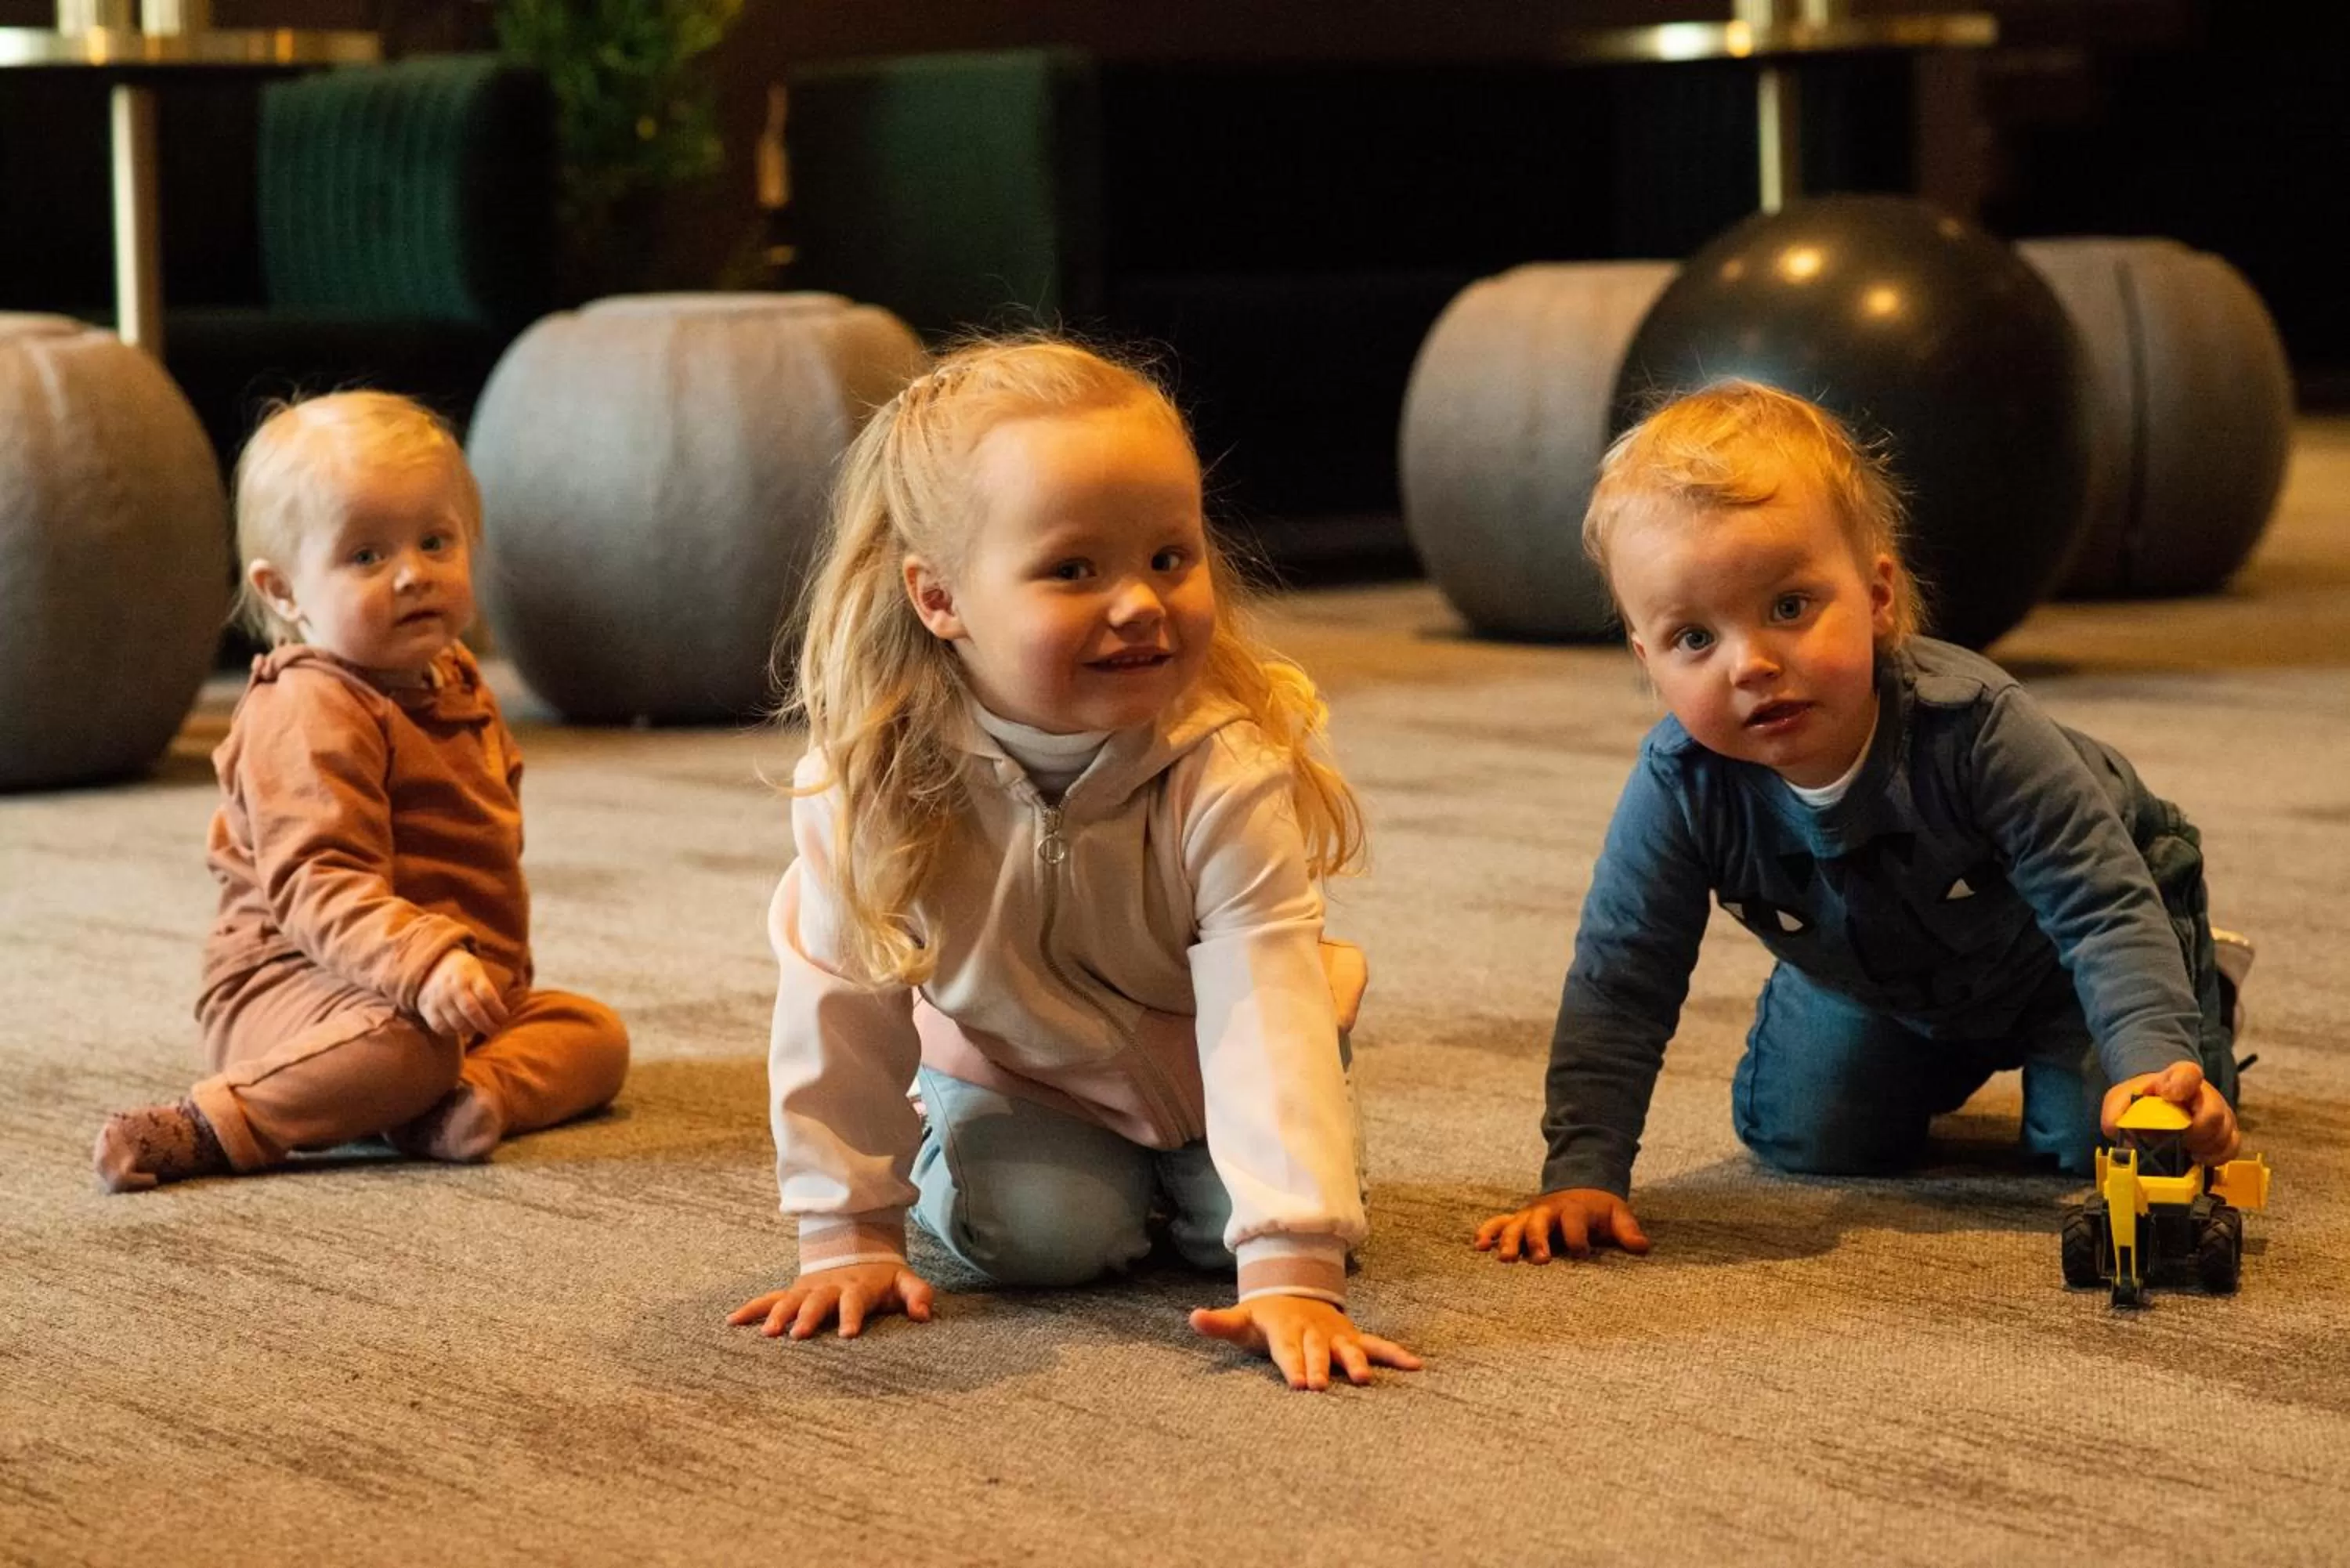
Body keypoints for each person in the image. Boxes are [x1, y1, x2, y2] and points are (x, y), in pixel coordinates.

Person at [728, 339, 1420, 1391]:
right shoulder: (871, 779)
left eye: (1168, 558)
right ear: (939, 597)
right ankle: (962, 1135)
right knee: (1044, 1241)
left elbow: (1264, 1000)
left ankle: (1213, 1177)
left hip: (1206, 1056)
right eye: (1073, 569)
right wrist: (850, 1233)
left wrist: (1290, 1255)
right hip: (1023, 1067)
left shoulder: (1225, 764)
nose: (1140, 603)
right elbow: (836, 995)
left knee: (1234, 1228)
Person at [1477, 380, 2251, 1265]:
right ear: (1646, 660)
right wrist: (1584, 1169)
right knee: (1806, 1137)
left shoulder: (1978, 727)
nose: (1753, 663)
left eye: (1790, 607)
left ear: (1877, 596)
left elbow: (2100, 905)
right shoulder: (1680, 783)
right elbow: (1622, 976)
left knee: (2104, 1139)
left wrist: (2152, 1061)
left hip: (2062, 953)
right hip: (1876, 971)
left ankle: (2196, 986)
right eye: (1695, 638)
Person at [91, 392, 629, 1191]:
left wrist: (467, 975)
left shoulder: (455, 678)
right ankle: (212, 1124)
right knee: (405, 1046)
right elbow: (318, 883)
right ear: (283, 593)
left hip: (438, 987)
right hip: (292, 983)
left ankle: (458, 1100)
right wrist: (423, 964)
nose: (414, 573)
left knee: (595, 1035)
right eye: (367, 557)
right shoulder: (309, 707)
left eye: (436, 541)